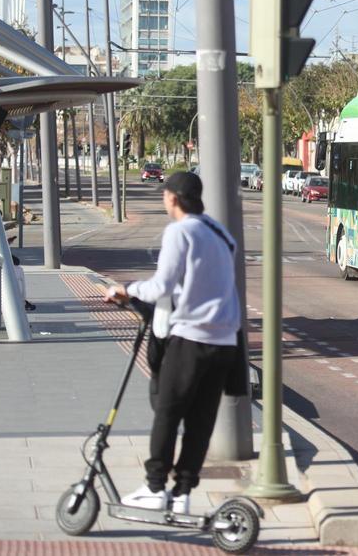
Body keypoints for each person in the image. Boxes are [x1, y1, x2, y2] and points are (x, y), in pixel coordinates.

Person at [103, 172, 240, 514]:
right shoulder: (220, 232)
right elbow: (202, 282)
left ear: (172, 198)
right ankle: (182, 493)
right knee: (201, 420)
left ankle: (154, 487)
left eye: (164, 196)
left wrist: (128, 289)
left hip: (192, 337)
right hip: (225, 342)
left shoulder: (180, 232)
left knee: (168, 410)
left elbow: (162, 286)